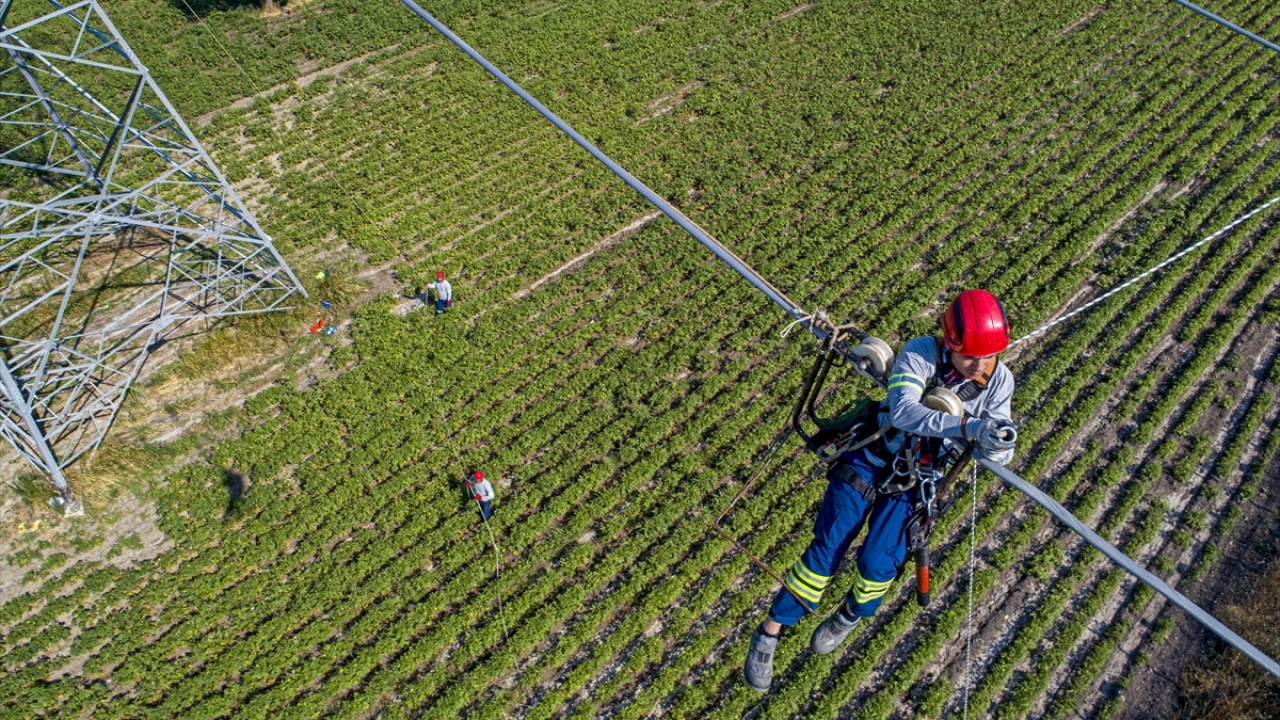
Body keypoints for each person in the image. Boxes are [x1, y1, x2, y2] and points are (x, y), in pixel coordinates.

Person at [743, 289, 1019, 692]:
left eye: (989, 356)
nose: (980, 366)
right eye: (970, 357)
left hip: (914, 481)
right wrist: (966, 427)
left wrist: (997, 439)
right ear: (951, 343)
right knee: (827, 549)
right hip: (872, 457)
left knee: (877, 565)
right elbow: (905, 412)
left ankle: (851, 613)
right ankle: (769, 632)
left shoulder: (998, 382)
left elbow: (1001, 455)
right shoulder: (922, 353)